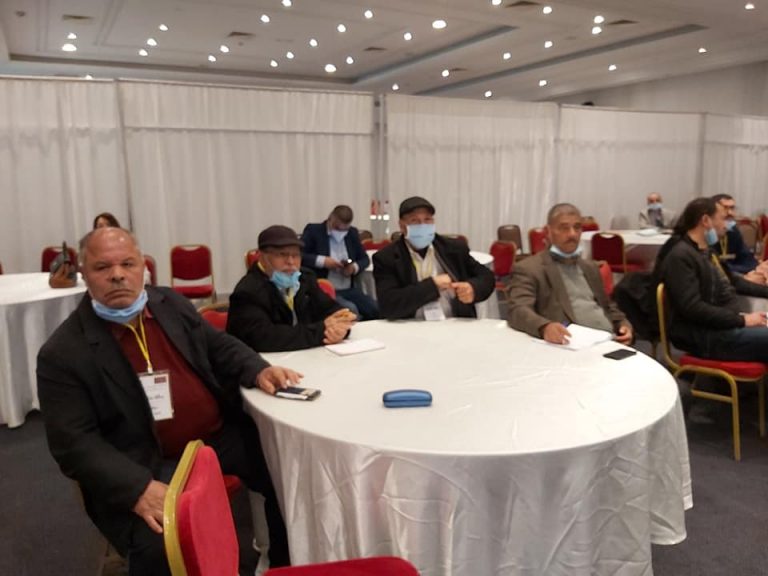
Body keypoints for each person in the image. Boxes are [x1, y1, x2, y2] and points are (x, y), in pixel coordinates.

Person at [38, 228, 301, 575]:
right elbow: (73, 443)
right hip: (146, 460)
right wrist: (137, 488)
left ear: (143, 268)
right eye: (102, 267)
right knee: (164, 543)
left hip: (216, 437)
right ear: (84, 274)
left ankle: (283, 564)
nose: (117, 275)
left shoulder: (168, 303)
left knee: (291, 473)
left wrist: (257, 368)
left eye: (127, 264)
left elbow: (217, 344)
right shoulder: (63, 353)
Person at [659, 197, 768, 362]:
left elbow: (734, 281)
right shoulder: (680, 256)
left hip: (723, 325)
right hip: (707, 335)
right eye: (722, 219)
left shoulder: (706, 251)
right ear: (705, 221)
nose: (726, 225)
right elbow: (693, 308)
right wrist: (743, 320)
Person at [508, 203, 633, 345]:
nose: (572, 234)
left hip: (609, 340)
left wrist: (623, 324)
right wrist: (544, 327)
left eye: (577, 227)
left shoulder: (590, 267)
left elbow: (608, 307)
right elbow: (518, 310)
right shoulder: (530, 269)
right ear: (548, 231)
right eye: (564, 228)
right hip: (571, 345)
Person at [227, 225, 356, 352]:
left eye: (296, 255)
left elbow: (333, 311)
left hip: (304, 354)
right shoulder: (248, 291)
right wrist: (320, 331)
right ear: (262, 258)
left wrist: (340, 330)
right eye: (282, 255)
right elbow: (263, 337)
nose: (290, 262)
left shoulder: (305, 278)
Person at [372, 196, 495, 320]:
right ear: (402, 226)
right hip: (410, 324)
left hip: (453, 322)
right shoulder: (386, 258)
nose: (422, 225)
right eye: (415, 220)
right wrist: (432, 286)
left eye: (427, 219)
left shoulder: (453, 248)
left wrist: (473, 288)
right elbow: (389, 305)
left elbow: (486, 276)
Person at [301, 205, 379, 320]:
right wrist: (323, 261)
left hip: (348, 288)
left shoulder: (352, 233)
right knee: (350, 309)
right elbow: (301, 256)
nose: (340, 232)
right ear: (330, 218)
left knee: (374, 308)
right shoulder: (314, 231)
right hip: (324, 289)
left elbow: (364, 259)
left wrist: (353, 268)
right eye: (337, 227)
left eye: (344, 229)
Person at [711, 194, 761, 275]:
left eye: (732, 208)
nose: (730, 212)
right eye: (725, 208)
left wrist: (732, 270)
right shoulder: (708, 234)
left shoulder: (733, 230)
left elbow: (749, 261)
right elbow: (709, 266)